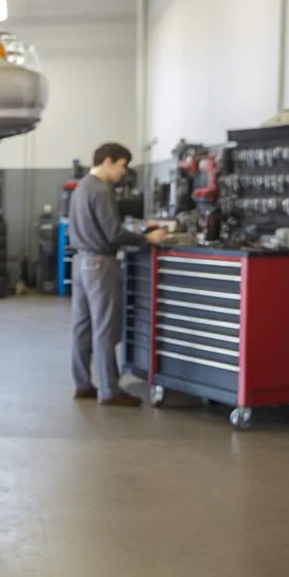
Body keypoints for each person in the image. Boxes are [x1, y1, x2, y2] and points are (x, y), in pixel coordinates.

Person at [68, 142, 167, 406]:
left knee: (82, 328)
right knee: (105, 330)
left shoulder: (81, 187)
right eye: (122, 165)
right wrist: (147, 238)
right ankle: (110, 390)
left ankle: (82, 384)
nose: (124, 172)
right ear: (109, 161)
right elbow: (113, 233)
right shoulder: (101, 190)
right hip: (101, 264)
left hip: (80, 262)